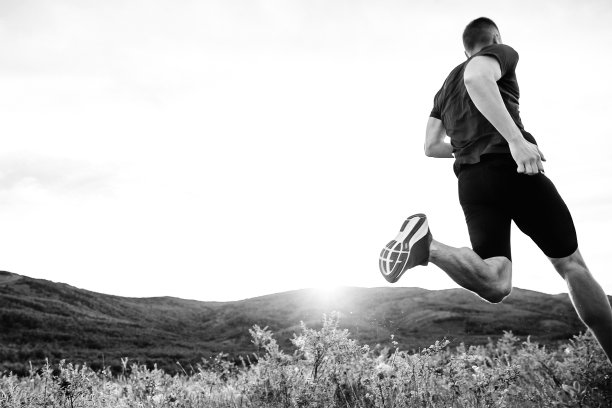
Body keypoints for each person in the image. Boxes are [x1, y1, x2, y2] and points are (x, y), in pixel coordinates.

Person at [378, 17, 612, 363]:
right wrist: (515, 141)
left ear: (463, 47)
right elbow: (475, 77)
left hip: (473, 183)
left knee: (496, 282)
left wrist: (466, 144)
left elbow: (430, 145)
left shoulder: (444, 89)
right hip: (512, 168)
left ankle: (428, 246)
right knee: (571, 265)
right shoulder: (497, 54)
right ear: (493, 39)